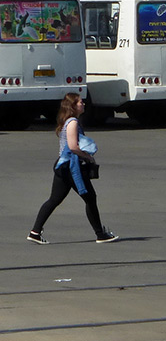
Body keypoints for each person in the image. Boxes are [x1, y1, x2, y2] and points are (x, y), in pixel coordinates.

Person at [27, 93, 118, 244]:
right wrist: (88, 157)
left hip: (63, 167)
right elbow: (73, 146)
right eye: (80, 102)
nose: (83, 104)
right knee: (90, 198)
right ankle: (100, 234)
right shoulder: (73, 122)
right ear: (73, 106)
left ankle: (35, 232)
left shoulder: (69, 121)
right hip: (71, 166)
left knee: (55, 199)